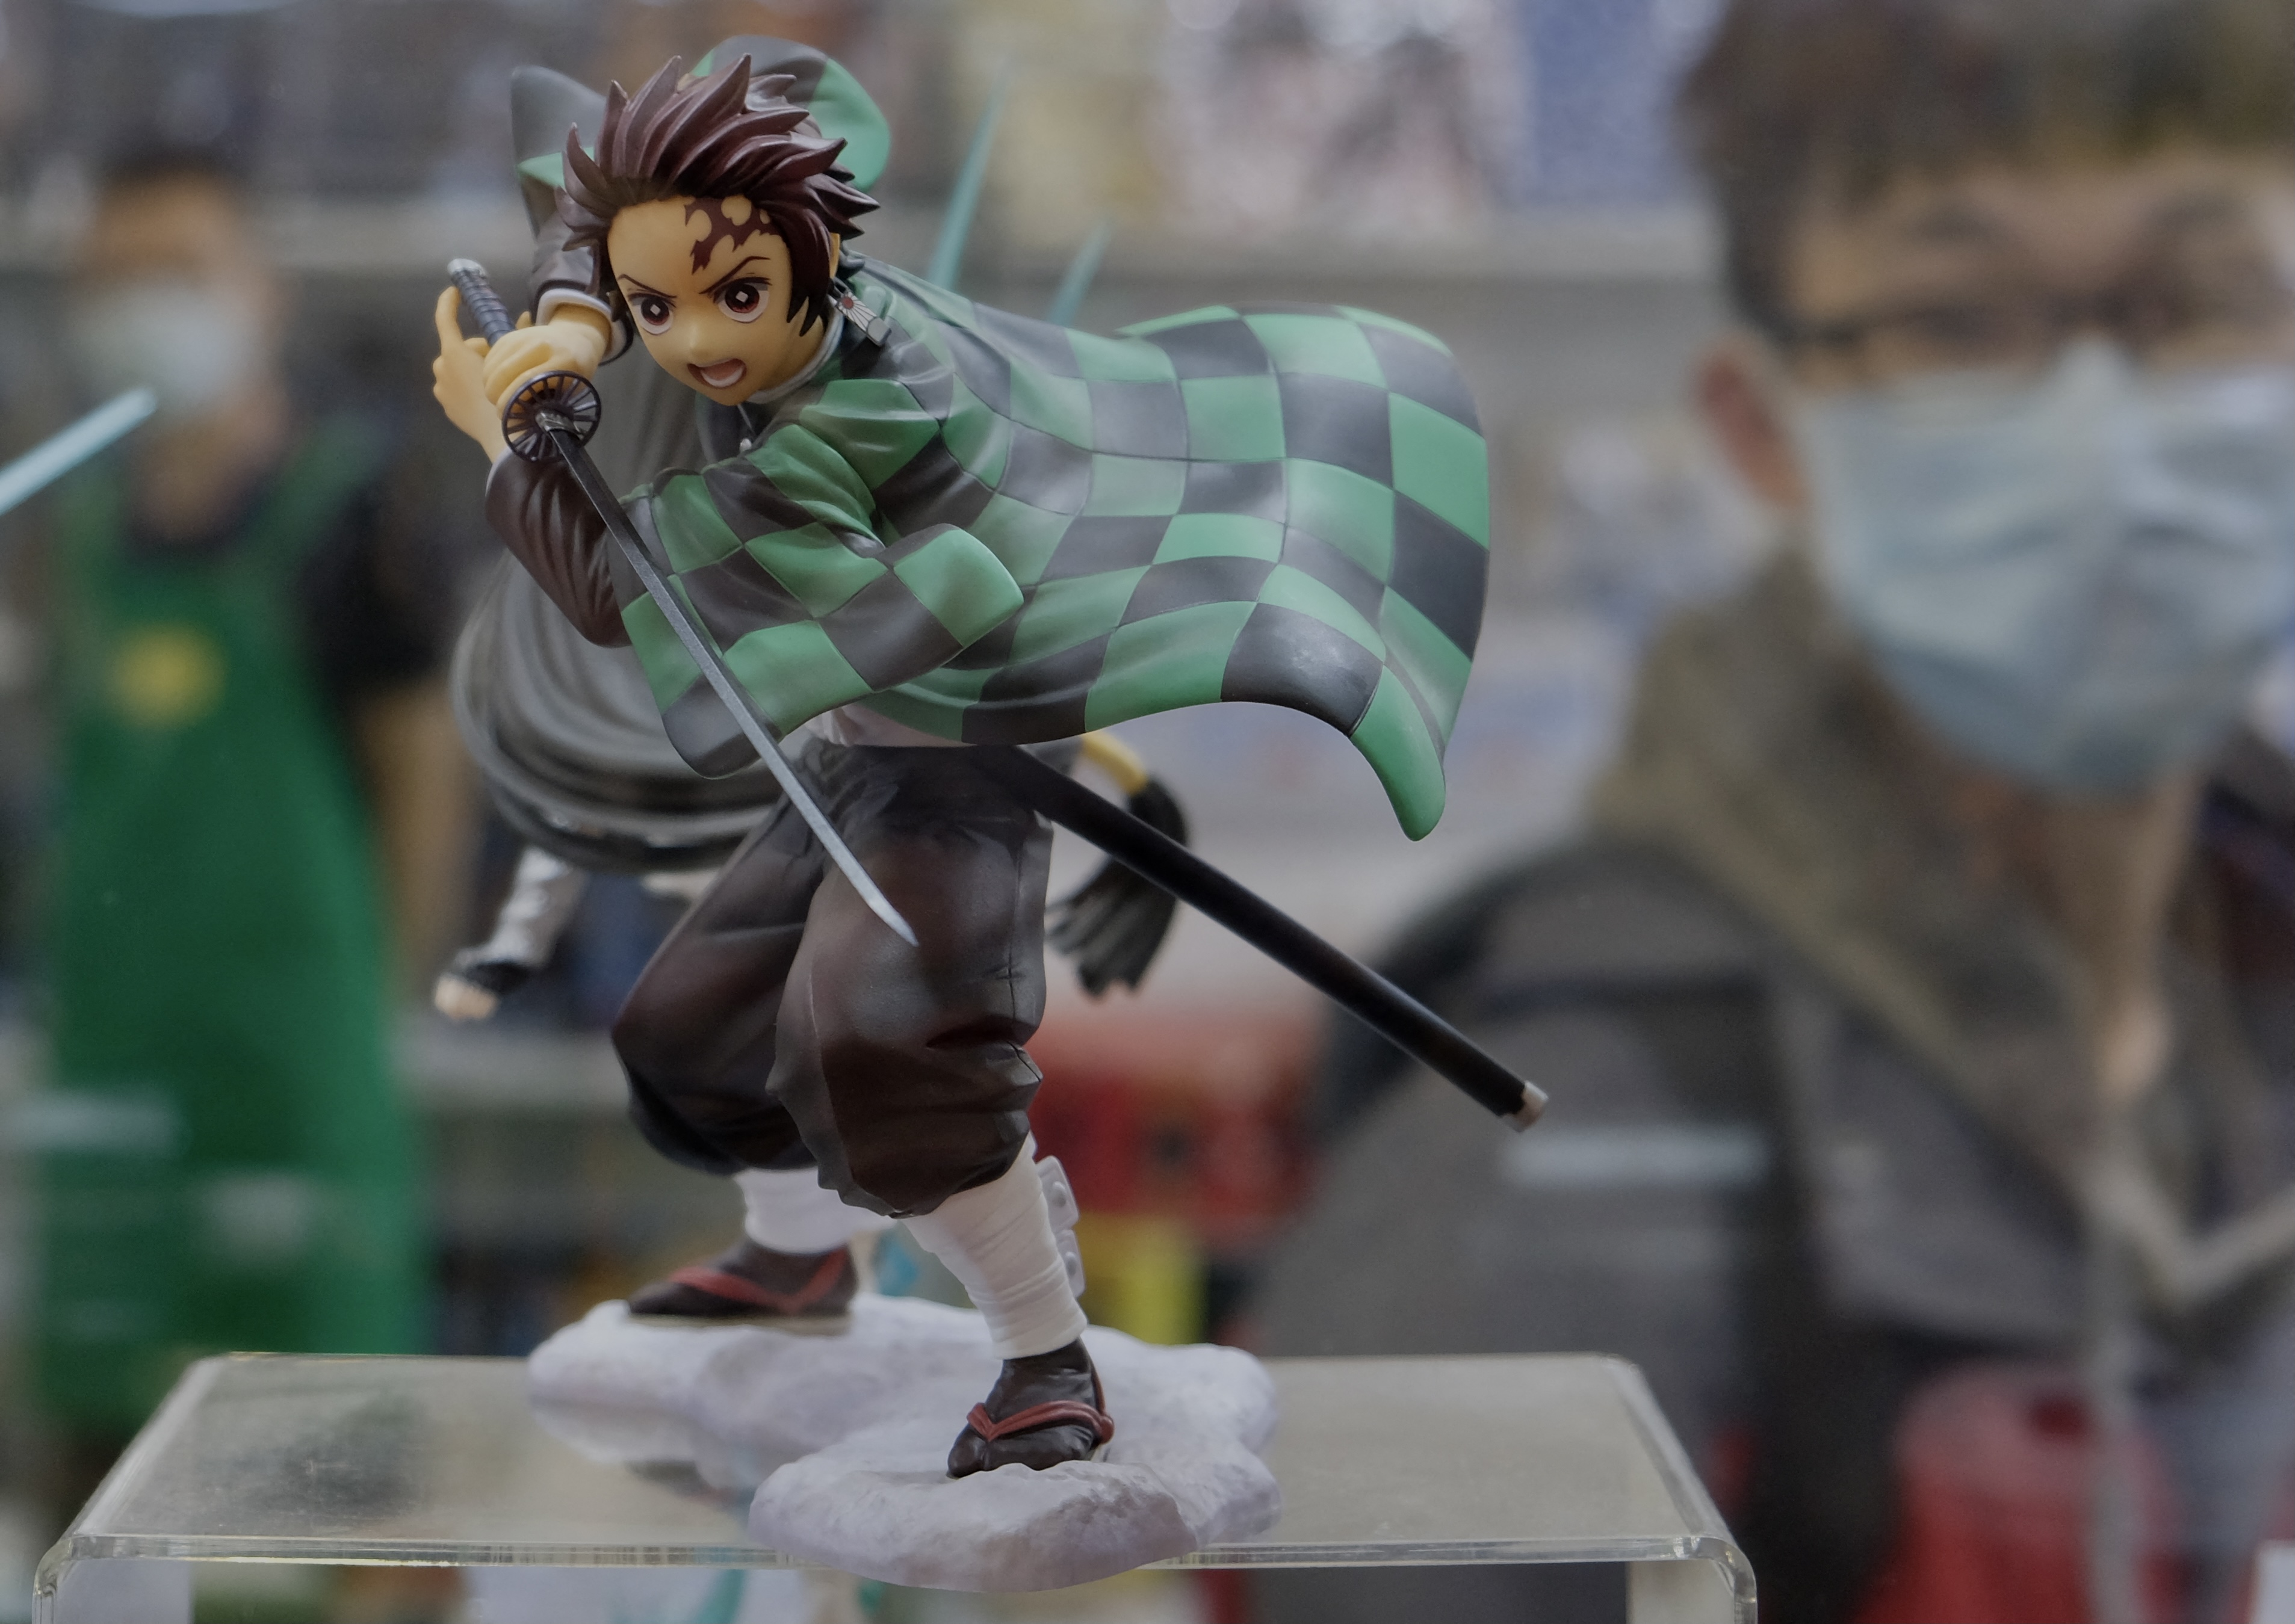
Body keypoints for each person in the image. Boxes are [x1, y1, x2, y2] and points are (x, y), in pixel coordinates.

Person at [1251, 2, 2295, 1621]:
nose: (2097, 419)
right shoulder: (1561, 1141)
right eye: (1956, 320)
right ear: (1762, 426)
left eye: (2191, 302)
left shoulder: (2245, 977)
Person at [430, 41, 1489, 1476]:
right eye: (654, 307)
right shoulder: (801, 285)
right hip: (870, 755)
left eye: (731, 297)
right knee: (689, 1032)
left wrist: (506, 445)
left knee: (887, 1048)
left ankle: (1045, 1358)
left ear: (811, 249)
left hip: (955, 774)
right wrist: (570, 321)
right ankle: (800, 1259)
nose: (691, 343)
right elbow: (604, 198)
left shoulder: (855, 413)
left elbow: (628, 591)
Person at [34, 153, 463, 1475]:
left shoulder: (355, 522)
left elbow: (425, 788)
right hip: (109, 1084)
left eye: (180, 270)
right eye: (116, 277)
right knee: (96, 1489)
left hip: (293, 1091)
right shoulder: (81, 536)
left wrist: (371, 1016)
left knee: (312, 1482)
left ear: (259, 291)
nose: (145, 305)